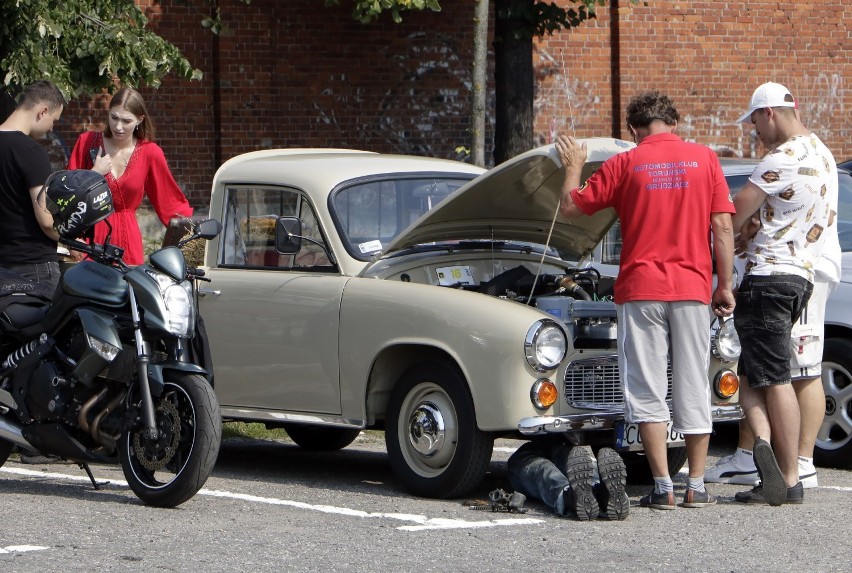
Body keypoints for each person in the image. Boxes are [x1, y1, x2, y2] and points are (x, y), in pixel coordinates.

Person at [555, 90, 736, 510]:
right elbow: (723, 230)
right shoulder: (705, 159)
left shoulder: (626, 162)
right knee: (693, 382)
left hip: (640, 289)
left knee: (647, 388)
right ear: (673, 124)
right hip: (691, 288)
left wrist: (573, 168)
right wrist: (723, 285)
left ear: (635, 130)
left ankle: (662, 488)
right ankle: (696, 484)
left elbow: (570, 207)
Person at [725, 82, 837, 506]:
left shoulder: (781, 157)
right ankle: (767, 454)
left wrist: (731, 236)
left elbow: (736, 213)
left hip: (768, 275)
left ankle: (787, 476)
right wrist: (758, 225)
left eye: (754, 120)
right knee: (754, 373)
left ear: (769, 112)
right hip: (801, 276)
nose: (754, 130)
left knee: (772, 378)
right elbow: (789, 211)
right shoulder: (823, 154)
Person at [705, 216, 840, 490]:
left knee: (800, 370)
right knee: (757, 367)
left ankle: (800, 463)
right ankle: (749, 456)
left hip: (794, 266)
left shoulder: (786, 171)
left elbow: (748, 213)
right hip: (783, 266)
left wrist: (742, 230)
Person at [66, 87, 192, 265]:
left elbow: (171, 202)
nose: (118, 126)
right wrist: (72, 238)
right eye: (114, 117)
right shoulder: (87, 143)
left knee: (129, 291)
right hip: (88, 242)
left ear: (140, 120)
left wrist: (194, 233)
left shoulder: (150, 153)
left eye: (126, 121)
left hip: (128, 243)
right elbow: (68, 194)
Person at [0, 80, 66, 292]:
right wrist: (69, 240)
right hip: (32, 265)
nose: (51, 128)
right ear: (42, 111)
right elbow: (46, 219)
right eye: (54, 120)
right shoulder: (30, 151)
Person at [507, 442, 629, 520]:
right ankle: (603, 493)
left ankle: (569, 497)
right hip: (563, 441)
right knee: (572, 457)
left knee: (542, 470)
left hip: (532, 447)